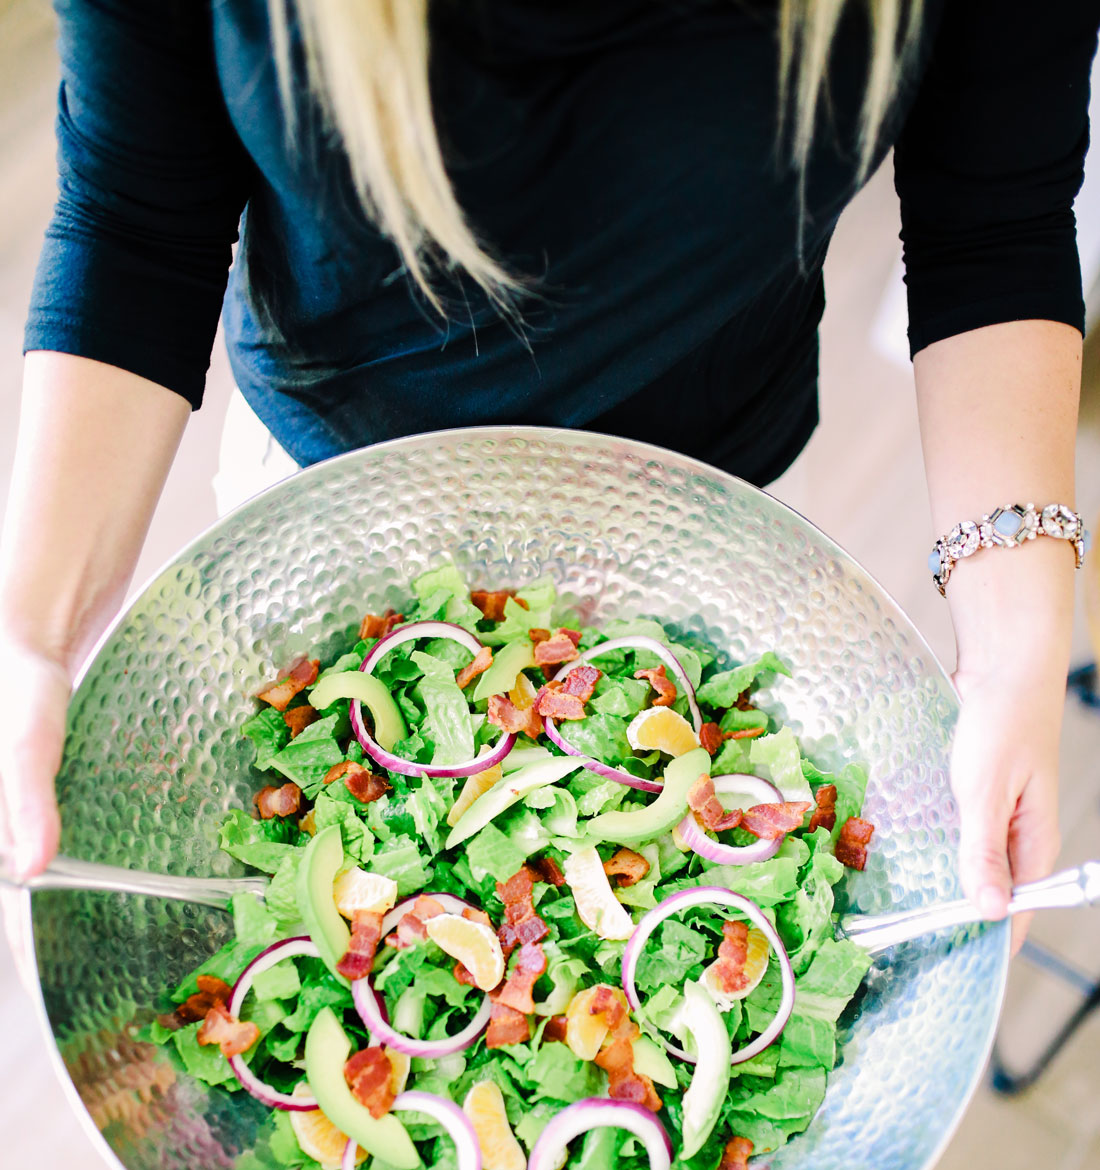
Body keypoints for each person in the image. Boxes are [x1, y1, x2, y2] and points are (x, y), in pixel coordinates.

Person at [1, 0, 1097, 949]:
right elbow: (137, 219)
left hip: (717, 524)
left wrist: (1011, 657)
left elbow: (989, 223)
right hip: (322, 514)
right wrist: (31, 641)